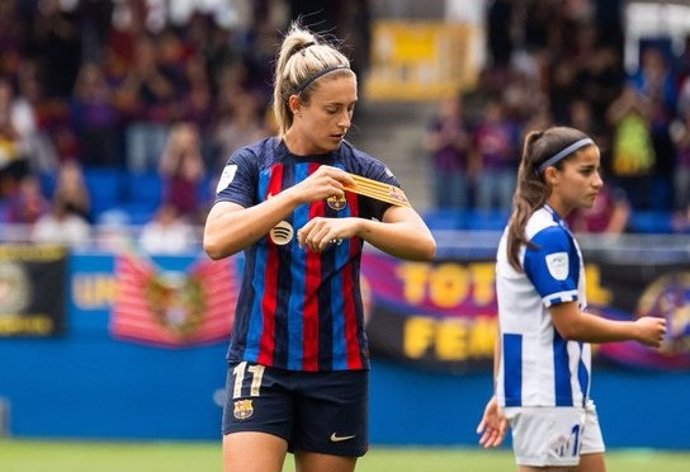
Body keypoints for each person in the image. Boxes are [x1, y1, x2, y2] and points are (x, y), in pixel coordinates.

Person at [203, 22, 436, 472]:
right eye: (333, 110)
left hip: (337, 368)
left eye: (350, 108)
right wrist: (294, 195)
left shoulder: (364, 174)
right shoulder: (252, 165)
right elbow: (215, 240)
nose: (345, 122)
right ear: (296, 106)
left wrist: (357, 225)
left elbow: (422, 242)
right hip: (261, 361)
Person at [476, 126, 667, 471]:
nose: (598, 182)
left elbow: (507, 321)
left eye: (597, 170)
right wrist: (635, 331)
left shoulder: (530, 227)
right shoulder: (547, 235)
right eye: (586, 171)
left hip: (559, 395)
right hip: (549, 395)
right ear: (552, 175)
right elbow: (570, 325)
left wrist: (503, 391)